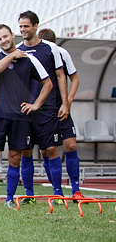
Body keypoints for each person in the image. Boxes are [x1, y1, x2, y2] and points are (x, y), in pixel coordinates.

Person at [0, 24, 52, 209]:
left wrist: (36, 104)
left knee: (15, 158)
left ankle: (9, 199)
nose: (3, 41)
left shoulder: (30, 59)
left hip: (20, 117)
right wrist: (11, 56)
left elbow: (47, 83)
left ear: (12, 35)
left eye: (5, 37)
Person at [17, 11, 68, 201]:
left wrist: (65, 103)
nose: (23, 30)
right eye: (20, 26)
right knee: (26, 150)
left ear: (36, 26)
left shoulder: (50, 49)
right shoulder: (17, 50)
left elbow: (61, 76)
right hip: (25, 108)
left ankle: (58, 193)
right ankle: (29, 194)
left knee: (51, 149)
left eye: (26, 26)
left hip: (47, 108)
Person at [38, 28, 82, 200]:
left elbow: (74, 78)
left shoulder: (62, 53)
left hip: (60, 107)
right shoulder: (32, 53)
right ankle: (57, 190)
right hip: (42, 109)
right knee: (46, 151)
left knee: (70, 145)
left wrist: (68, 100)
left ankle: (76, 189)